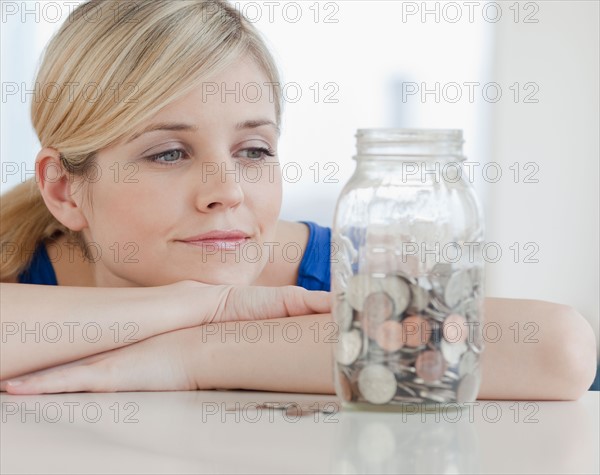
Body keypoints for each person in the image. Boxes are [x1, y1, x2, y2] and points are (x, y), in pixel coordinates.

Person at [0, 0, 596, 398]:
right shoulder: (19, 261)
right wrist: (202, 305)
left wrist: (196, 354)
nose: (227, 191)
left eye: (253, 151)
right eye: (168, 154)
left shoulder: (341, 270)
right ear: (63, 188)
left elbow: (556, 348)